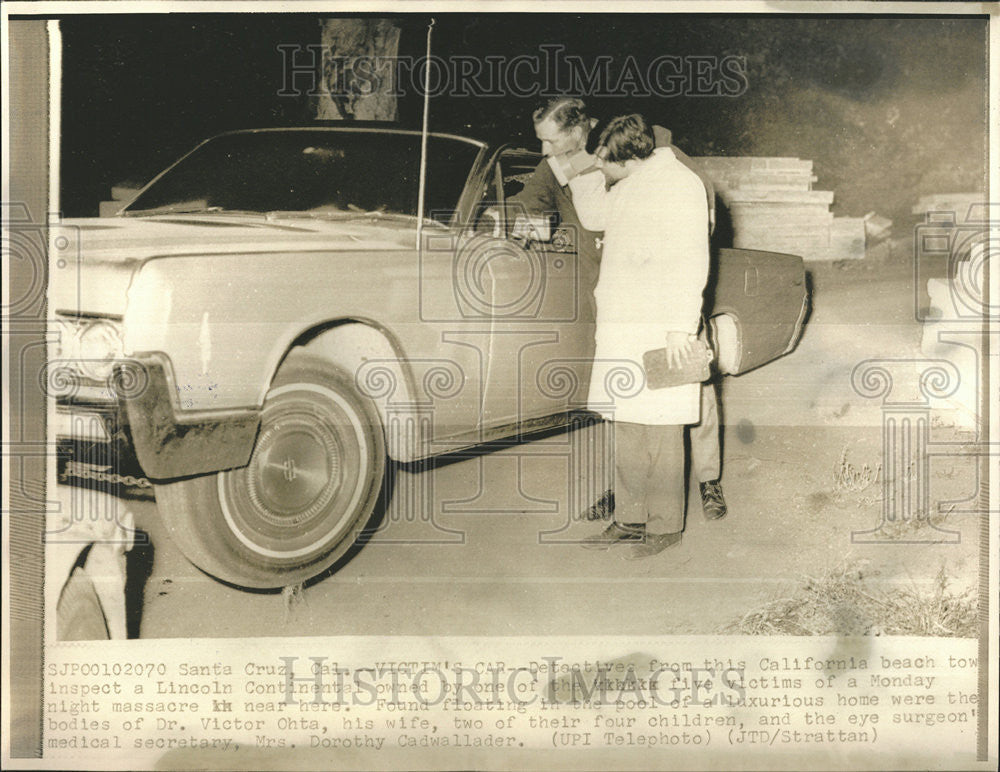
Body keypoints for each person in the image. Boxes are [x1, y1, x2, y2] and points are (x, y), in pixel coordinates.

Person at [507, 97, 727, 524]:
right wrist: (522, 230)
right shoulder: (553, 164)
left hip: (664, 293)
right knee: (627, 400)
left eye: (551, 141)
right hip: (611, 294)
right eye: (541, 143)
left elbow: (698, 195)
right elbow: (530, 205)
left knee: (687, 383)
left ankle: (707, 478)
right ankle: (631, 490)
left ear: (579, 130)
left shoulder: (638, 141)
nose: (545, 151)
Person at [559, 114, 711, 557]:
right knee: (626, 423)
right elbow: (594, 217)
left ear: (629, 159)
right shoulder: (632, 182)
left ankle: (664, 526)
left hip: (664, 326)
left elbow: (693, 259)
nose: (600, 170)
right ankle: (629, 517)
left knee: (661, 428)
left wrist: (682, 325)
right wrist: (580, 171)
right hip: (625, 324)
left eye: (606, 163)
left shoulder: (680, 185)